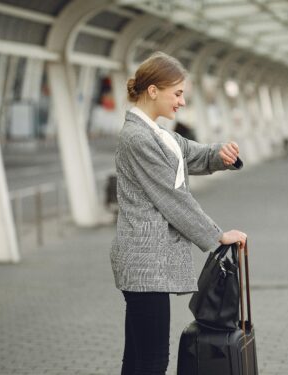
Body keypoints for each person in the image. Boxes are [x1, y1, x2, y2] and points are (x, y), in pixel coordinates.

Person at [110, 51, 248, 375]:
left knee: (139, 359)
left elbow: (194, 154)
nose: (182, 102)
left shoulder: (159, 134)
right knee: (152, 360)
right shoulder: (136, 138)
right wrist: (217, 235)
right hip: (145, 265)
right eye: (178, 93)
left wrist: (221, 155)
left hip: (149, 266)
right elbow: (172, 198)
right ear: (153, 90)